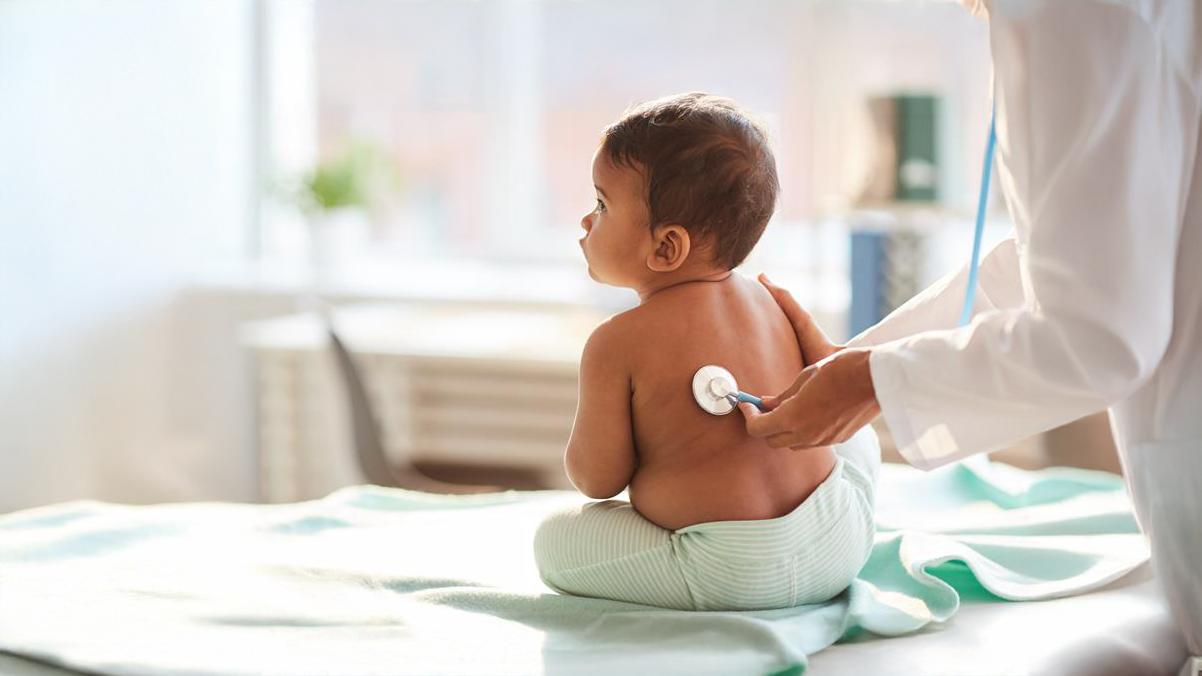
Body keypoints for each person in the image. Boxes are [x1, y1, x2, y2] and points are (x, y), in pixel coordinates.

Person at [738, 0, 1201, 665]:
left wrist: (869, 380)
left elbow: (1098, 337)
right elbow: (1076, 251)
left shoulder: (1075, 14)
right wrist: (864, 360)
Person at [532, 93, 881, 611]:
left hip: (728, 571)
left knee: (553, 543)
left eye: (602, 204)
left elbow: (597, 481)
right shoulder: (773, 300)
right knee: (858, 439)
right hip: (838, 544)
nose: (586, 221)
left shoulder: (615, 341)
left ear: (667, 247)